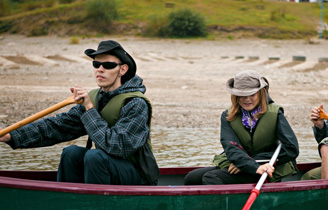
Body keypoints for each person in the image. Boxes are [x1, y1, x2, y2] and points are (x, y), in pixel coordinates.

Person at [0, 40, 159, 185]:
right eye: (96, 64)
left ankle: (96, 208)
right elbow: (57, 127)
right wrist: (11, 136)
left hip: (137, 176)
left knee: (94, 157)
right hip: (106, 168)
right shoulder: (95, 98)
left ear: (123, 69)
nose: (100, 69)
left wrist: (89, 109)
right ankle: (70, 201)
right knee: (72, 153)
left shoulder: (136, 104)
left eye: (108, 65)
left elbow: (116, 146)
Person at [184, 70, 299, 185]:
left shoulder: (275, 113)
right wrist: (246, 164)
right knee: (192, 178)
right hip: (241, 163)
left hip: (267, 168)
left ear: (261, 93)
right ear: (235, 96)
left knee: (211, 177)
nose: (247, 99)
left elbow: (291, 149)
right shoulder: (227, 115)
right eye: (242, 95)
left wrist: (252, 164)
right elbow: (231, 147)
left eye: (252, 94)